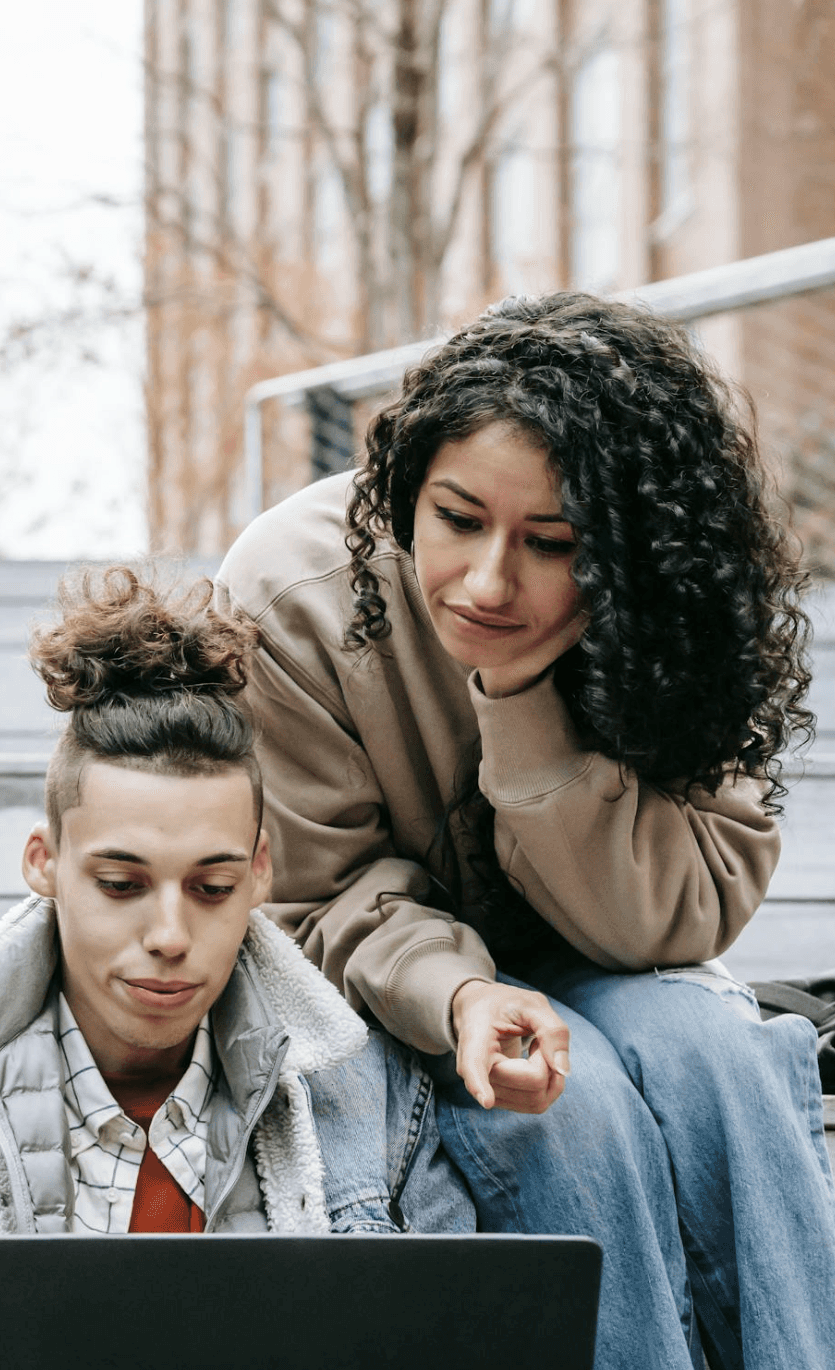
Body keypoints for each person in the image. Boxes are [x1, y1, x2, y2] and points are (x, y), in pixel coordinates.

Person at [218, 292, 835, 1370]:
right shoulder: (289, 590)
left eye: (551, 543)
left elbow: (679, 915)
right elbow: (314, 894)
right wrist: (462, 991)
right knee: (564, 1097)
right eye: (456, 520)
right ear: (405, 489)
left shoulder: (672, 602)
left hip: (620, 960)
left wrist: (519, 697)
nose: (490, 580)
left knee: (713, 1053)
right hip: (399, 995)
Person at [0, 570, 473, 1369]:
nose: (169, 934)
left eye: (212, 887)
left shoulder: (375, 1099)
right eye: (121, 885)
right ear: (44, 864)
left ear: (262, 872)